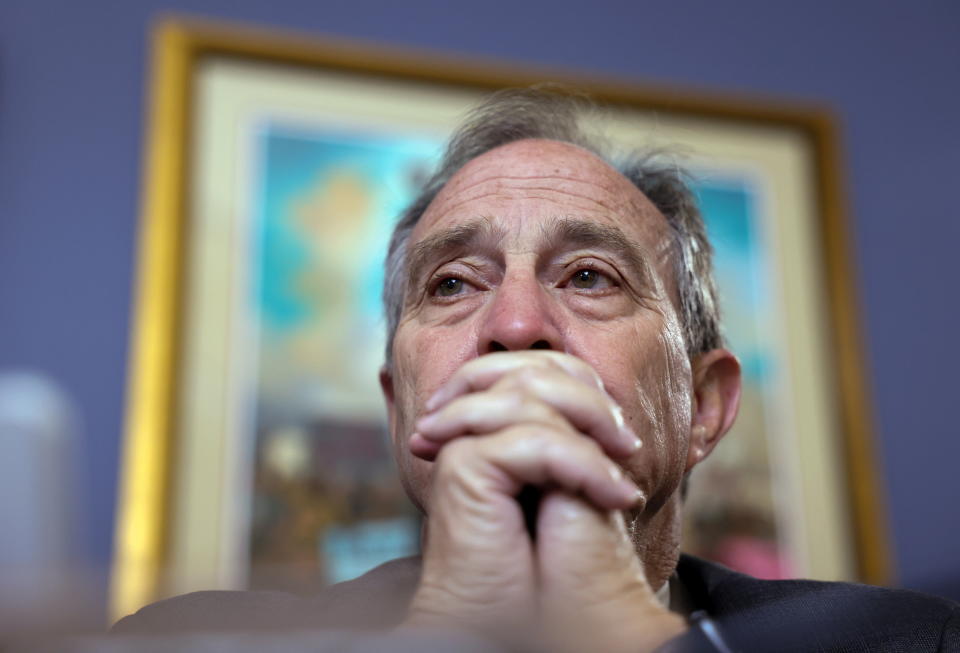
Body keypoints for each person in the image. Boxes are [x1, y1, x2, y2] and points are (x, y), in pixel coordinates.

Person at [114, 89, 960, 652]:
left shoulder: (914, 640)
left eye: (589, 275)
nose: (515, 327)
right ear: (397, 406)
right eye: (452, 284)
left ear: (703, 405)